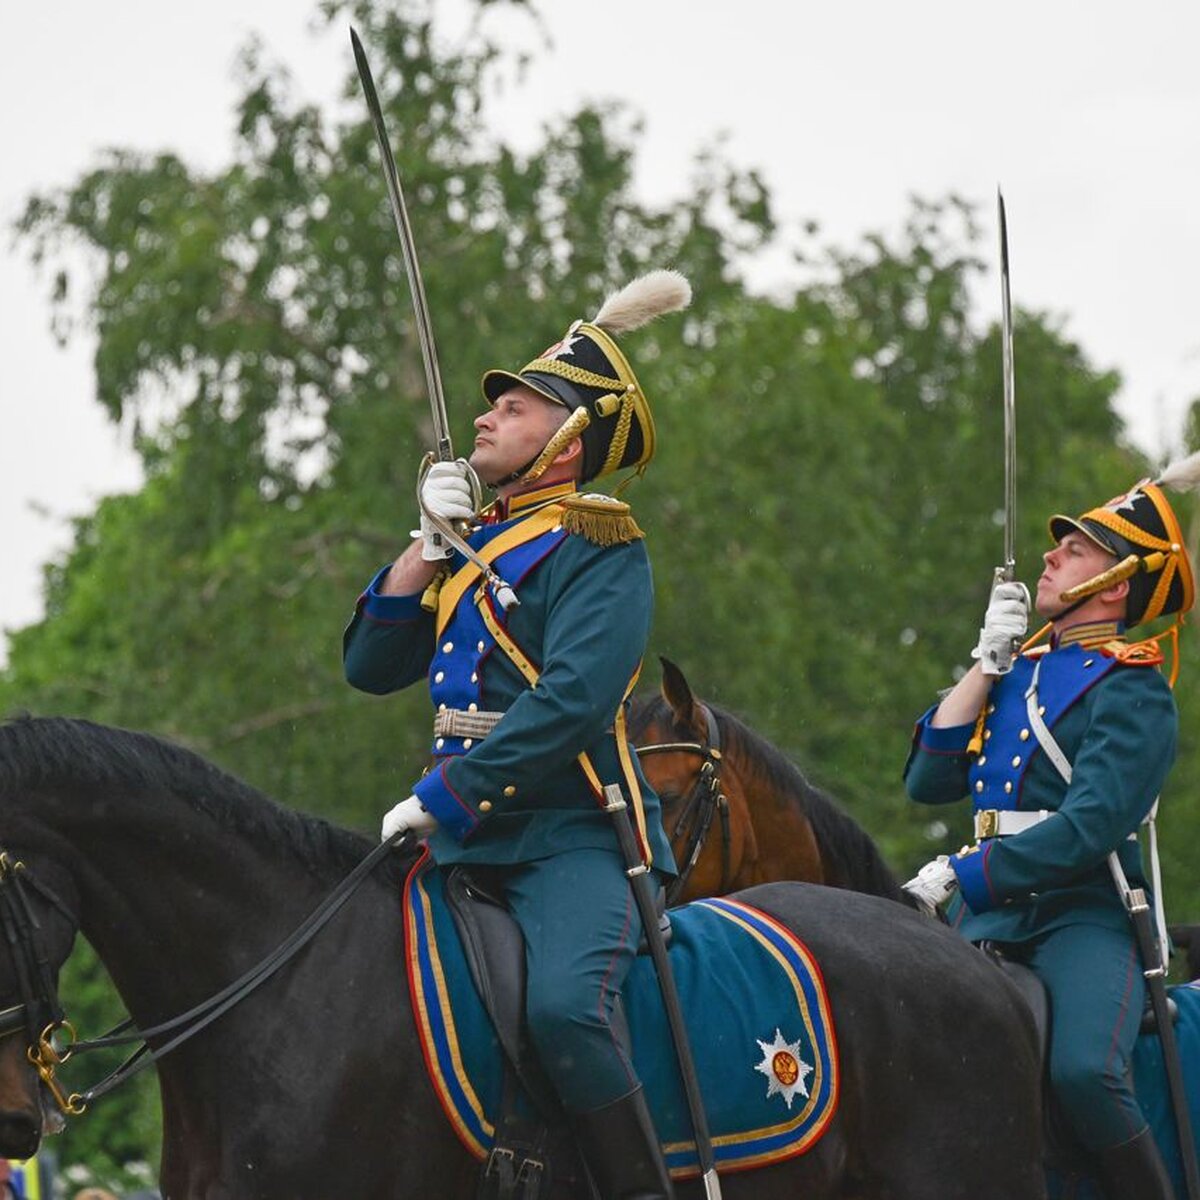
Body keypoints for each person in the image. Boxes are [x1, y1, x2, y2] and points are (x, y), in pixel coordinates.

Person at [344, 271, 690, 1200]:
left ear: (573, 434)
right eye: (493, 401)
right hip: (460, 837)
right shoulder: (472, 547)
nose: (489, 415)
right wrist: (425, 543)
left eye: (519, 403)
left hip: (571, 834)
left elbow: (574, 700)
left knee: (567, 1012)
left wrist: (444, 794)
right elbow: (371, 667)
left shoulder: (602, 544)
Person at [902, 463, 1199, 1200]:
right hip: (988, 915)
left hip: (1081, 912)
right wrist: (984, 663)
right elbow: (926, 782)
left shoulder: (1131, 686)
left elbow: (1088, 829)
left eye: (1076, 550)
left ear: (1119, 582)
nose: (1050, 554)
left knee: (1084, 1071)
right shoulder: (1017, 672)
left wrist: (960, 876)